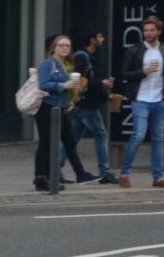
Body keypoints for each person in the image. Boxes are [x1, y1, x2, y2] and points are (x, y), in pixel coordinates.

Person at [35, 34, 98, 191]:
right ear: (54, 48)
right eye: (61, 45)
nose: (64, 48)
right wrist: (64, 85)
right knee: (46, 144)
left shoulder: (66, 64)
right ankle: (40, 177)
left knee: (69, 141)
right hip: (47, 108)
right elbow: (44, 84)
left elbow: (69, 88)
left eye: (67, 46)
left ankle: (80, 173)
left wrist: (71, 98)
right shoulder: (48, 63)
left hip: (61, 108)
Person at [61, 31, 116, 185]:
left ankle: (55, 168)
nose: (103, 39)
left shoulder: (88, 57)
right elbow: (81, 83)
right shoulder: (82, 57)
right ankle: (105, 172)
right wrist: (102, 84)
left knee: (71, 139)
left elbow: (88, 83)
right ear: (92, 40)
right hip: (86, 104)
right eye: (100, 37)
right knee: (101, 134)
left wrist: (105, 96)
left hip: (84, 103)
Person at [117, 15, 164, 188]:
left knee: (159, 139)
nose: (148, 33)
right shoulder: (134, 50)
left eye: (152, 30)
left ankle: (158, 177)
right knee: (138, 135)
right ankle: (124, 172)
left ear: (158, 31)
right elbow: (124, 74)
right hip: (141, 99)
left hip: (159, 99)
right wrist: (142, 72)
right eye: (145, 30)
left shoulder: (162, 50)